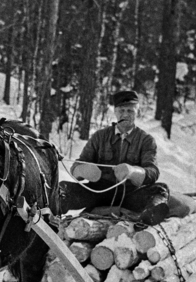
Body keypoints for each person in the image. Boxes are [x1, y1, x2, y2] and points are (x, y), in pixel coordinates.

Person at [59, 89, 172, 225]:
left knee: (160, 190)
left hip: (130, 195)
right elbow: (75, 167)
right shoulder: (100, 136)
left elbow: (153, 172)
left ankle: (147, 220)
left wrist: (133, 172)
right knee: (62, 189)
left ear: (138, 112)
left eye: (130, 111)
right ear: (115, 112)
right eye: (121, 110)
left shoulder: (146, 140)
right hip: (98, 193)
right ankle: (49, 223)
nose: (125, 114)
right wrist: (83, 170)